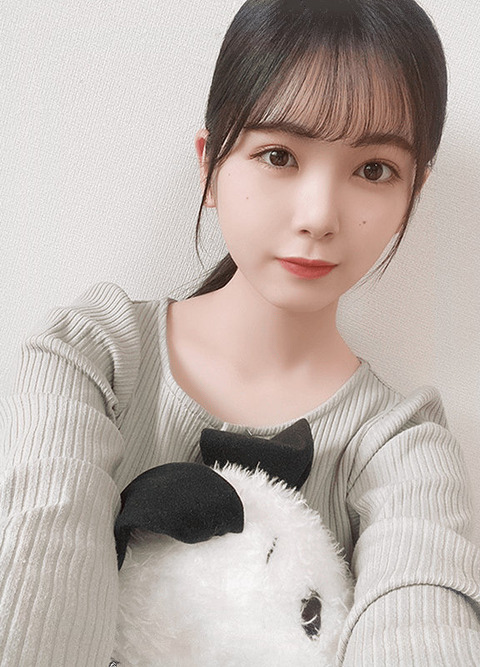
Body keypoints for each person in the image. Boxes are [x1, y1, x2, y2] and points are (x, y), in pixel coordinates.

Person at [1, 0, 479, 664]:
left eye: (373, 169)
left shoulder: (405, 446)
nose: (318, 215)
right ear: (209, 166)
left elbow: (423, 615)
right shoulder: (90, 355)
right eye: (278, 155)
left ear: (411, 195)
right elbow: (41, 568)